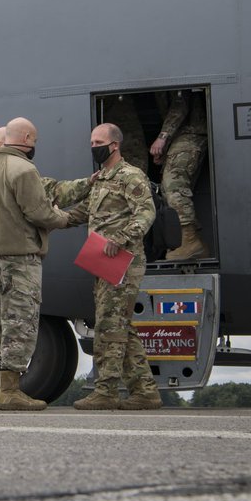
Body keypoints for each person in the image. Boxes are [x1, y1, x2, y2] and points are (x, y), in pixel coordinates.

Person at [0, 117, 89, 411]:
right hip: (20, 257)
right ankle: (10, 390)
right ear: (24, 137)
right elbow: (40, 214)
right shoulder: (23, 169)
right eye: (33, 138)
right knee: (20, 321)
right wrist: (68, 218)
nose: (35, 144)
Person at [68, 122, 162, 410]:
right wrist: (51, 218)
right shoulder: (101, 179)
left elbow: (146, 213)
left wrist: (121, 238)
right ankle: (145, 391)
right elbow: (87, 213)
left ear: (114, 145)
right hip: (102, 261)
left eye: (99, 142)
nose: (94, 147)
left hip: (124, 262)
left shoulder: (131, 176)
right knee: (121, 325)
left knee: (110, 325)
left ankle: (106, 391)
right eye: (92, 142)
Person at [149, 89, 208, 260]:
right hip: (181, 135)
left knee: (172, 181)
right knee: (167, 188)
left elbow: (180, 104)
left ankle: (189, 240)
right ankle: (195, 244)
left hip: (192, 130)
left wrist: (163, 137)